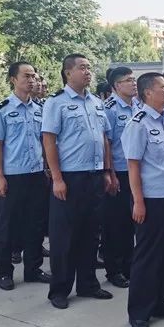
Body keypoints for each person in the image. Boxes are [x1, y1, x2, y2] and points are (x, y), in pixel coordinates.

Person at [41, 53, 114, 309]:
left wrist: (106, 171)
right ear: (68, 72)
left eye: (89, 67)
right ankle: (59, 289)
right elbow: (49, 140)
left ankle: (87, 283)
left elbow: (104, 138)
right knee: (64, 237)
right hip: (70, 178)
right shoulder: (56, 103)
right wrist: (57, 178)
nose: (88, 72)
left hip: (94, 176)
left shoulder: (96, 102)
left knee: (90, 233)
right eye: (82, 68)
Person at [122, 72, 164, 327]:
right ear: (148, 92)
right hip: (151, 200)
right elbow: (133, 166)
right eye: (162, 87)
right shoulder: (138, 123)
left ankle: (161, 302)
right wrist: (138, 201)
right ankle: (139, 311)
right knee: (148, 257)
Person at [0, 61, 51, 290]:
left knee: (35, 225)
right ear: (13, 79)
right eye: (26, 76)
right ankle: (4, 272)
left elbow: (44, 143)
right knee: (7, 226)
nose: (31, 80)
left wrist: (47, 168)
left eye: (34, 75)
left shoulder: (39, 109)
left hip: (36, 174)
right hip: (12, 175)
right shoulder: (3, 109)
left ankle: (33, 269)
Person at [102, 66, 138, 289]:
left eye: (133, 79)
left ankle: (128, 265)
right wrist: (110, 173)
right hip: (119, 173)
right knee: (115, 224)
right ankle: (113, 270)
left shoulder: (138, 106)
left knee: (132, 224)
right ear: (116, 86)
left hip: (136, 173)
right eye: (127, 80)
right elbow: (107, 142)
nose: (133, 83)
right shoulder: (110, 109)